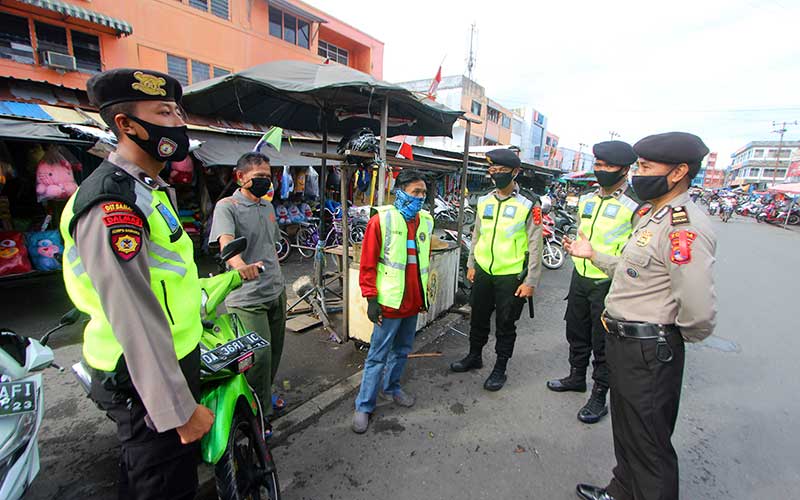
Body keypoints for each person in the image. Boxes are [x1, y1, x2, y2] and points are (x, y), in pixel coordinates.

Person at [59, 69, 260, 500]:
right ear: (125, 125)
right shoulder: (114, 203)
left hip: (175, 357)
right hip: (140, 376)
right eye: (163, 112)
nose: (176, 122)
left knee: (154, 479)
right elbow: (133, 315)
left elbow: (171, 278)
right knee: (164, 485)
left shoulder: (150, 189)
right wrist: (179, 412)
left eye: (178, 112)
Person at [567, 132, 717, 500]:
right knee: (629, 432)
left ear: (679, 171)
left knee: (650, 447)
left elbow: (697, 309)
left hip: (649, 348)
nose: (638, 173)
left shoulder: (683, 224)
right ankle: (621, 490)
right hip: (627, 343)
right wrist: (593, 256)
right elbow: (632, 270)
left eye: (647, 167)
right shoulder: (652, 216)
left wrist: (664, 336)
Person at [547, 141, 643, 424]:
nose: (600, 170)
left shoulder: (636, 206)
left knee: (603, 343)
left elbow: (637, 253)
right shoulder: (588, 199)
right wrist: (573, 247)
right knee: (576, 332)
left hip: (610, 283)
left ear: (624, 170)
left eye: (607, 166)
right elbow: (584, 234)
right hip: (580, 276)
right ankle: (576, 377)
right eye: (597, 165)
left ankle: (600, 395)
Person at [450, 149, 542, 391]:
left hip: (511, 277)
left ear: (515, 172)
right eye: (492, 171)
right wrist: (471, 264)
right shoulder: (484, 200)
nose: (496, 175)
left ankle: (500, 367)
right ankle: (474, 355)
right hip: (483, 273)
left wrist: (530, 280)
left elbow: (535, 245)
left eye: (502, 171)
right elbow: (477, 234)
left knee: (505, 324)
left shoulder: (529, 204)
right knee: (478, 318)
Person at [352, 169, 433, 433]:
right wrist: (370, 299)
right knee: (377, 356)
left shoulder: (426, 221)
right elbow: (367, 264)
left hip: (412, 303)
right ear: (399, 192)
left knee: (402, 351)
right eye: (415, 192)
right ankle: (364, 406)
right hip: (388, 305)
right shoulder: (382, 221)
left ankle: (392, 388)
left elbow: (422, 262)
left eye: (423, 192)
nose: (420, 197)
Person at [210, 152, 286, 417]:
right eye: (259, 177)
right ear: (240, 177)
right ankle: (256, 413)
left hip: (275, 290)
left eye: (268, 176)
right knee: (258, 357)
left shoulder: (268, 206)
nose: (266, 182)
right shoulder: (227, 206)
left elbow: (271, 246)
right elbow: (226, 244)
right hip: (247, 297)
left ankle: (263, 394)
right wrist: (241, 266)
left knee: (274, 352)